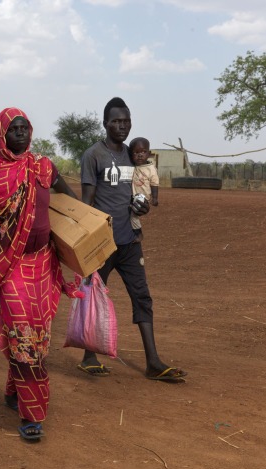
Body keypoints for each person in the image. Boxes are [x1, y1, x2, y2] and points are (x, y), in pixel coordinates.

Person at [0, 107, 80, 442]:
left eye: (25, 128)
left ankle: (12, 389)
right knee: (23, 336)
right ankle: (32, 414)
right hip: (11, 265)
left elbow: (69, 200)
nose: (20, 133)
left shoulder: (42, 166)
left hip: (44, 264)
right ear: (0, 136)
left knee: (37, 338)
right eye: (13, 129)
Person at [79, 97, 186, 381]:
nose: (122, 126)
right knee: (94, 296)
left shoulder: (133, 155)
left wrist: (144, 207)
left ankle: (153, 361)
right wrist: (86, 242)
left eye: (126, 121)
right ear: (105, 124)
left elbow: (140, 196)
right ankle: (89, 356)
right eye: (116, 121)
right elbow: (87, 201)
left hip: (129, 241)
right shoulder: (93, 155)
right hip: (101, 243)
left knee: (142, 296)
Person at [129, 137, 159, 242]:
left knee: (133, 214)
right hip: (132, 195)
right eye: (136, 152)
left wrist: (155, 198)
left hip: (141, 197)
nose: (140, 154)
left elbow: (154, 183)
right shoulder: (132, 165)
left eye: (143, 152)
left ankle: (138, 233)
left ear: (149, 153)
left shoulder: (151, 169)